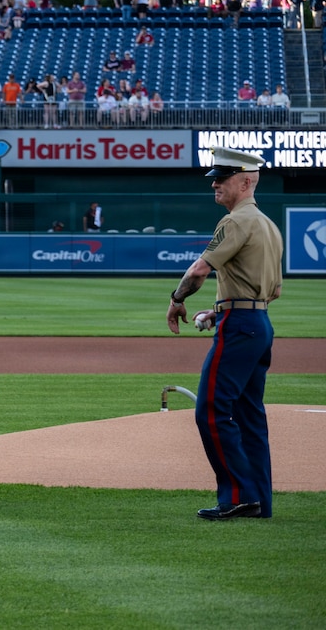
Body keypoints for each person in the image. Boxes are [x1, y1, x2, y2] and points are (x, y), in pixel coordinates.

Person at [165, 146, 282, 521]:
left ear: (246, 181)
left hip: (240, 327)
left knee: (211, 411)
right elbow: (273, 290)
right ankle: (259, 500)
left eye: (223, 177)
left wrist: (176, 299)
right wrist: (221, 311)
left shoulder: (234, 222)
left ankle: (236, 496)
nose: (214, 183)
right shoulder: (268, 224)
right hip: (259, 324)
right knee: (250, 415)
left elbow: (199, 270)